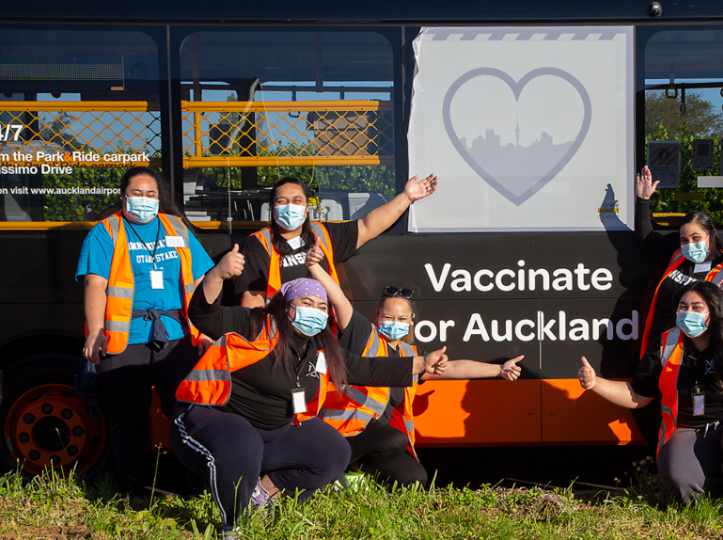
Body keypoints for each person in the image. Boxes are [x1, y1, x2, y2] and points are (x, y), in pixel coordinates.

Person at [171, 248, 448, 537]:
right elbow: (204, 317)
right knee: (243, 442)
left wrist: (420, 363)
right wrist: (217, 275)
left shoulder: (320, 348)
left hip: (272, 430)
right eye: (306, 302)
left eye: (320, 306)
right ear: (285, 305)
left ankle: (263, 498)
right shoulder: (255, 324)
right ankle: (234, 525)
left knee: (333, 450)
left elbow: (367, 370)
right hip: (209, 417)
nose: (314, 311)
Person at [303, 248, 522, 486]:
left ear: (410, 322)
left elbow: (456, 368)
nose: (394, 323)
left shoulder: (412, 355)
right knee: (392, 440)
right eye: (388, 317)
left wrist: (499, 369)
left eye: (401, 319)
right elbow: (339, 301)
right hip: (344, 432)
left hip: (379, 439)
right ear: (377, 316)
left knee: (415, 478)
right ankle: (340, 471)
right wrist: (315, 268)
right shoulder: (363, 337)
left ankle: (361, 477)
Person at [578, 281, 723, 513]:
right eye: (682, 307)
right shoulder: (665, 343)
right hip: (694, 429)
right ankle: (717, 499)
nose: (687, 313)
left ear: (714, 310)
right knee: (677, 475)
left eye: (696, 307)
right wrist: (595, 383)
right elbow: (638, 396)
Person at [76, 166, 215, 496]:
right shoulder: (105, 232)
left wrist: (207, 328)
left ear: (159, 197)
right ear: (123, 197)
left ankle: (194, 483)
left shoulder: (176, 227)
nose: (144, 200)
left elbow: (200, 280)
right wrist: (95, 332)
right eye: (136, 194)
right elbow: (95, 285)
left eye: (150, 194)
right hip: (124, 339)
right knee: (127, 416)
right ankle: (131, 486)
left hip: (176, 336)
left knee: (185, 412)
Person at [633, 165, 723, 451]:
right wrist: (644, 201)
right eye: (683, 239)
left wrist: (720, 297)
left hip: (690, 352)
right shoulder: (677, 258)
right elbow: (645, 238)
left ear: (711, 236)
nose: (689, 244)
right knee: (642, 404)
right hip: (661, 345)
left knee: (682, 408)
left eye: (695, 238)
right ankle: (663, 462)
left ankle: (685, 465)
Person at [236, 174, 438, 307]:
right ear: (272, 208)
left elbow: (368, 225)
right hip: (277, 333)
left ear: (307, 208)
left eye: (297, 201)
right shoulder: (259, 243)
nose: (290, 206)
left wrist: (407, 196)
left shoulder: (323, 234)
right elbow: (252, 300)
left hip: (320, 333)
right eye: (282, 201)